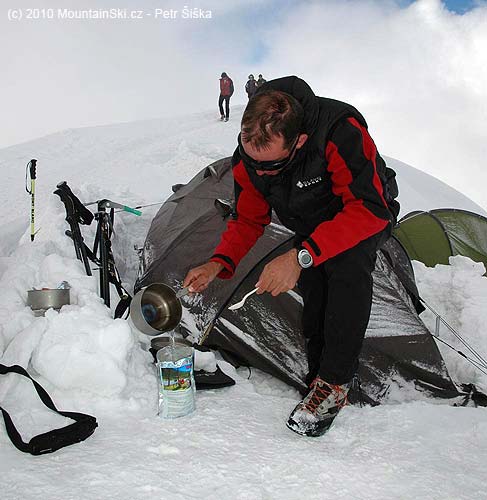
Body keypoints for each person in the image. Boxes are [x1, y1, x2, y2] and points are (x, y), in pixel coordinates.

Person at [183, 76, 399, 437]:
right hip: (311, 220)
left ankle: (333, 384)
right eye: (254, 162)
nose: (261, 172)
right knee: (316, 294)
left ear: (299, 141)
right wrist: (218, 261)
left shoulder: (339, 131)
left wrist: (301, 254)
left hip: (362, 209)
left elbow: (369, 209)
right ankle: (319, 374)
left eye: (271, 166)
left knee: (346, 272)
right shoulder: (250, 158)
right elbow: (250, 218)